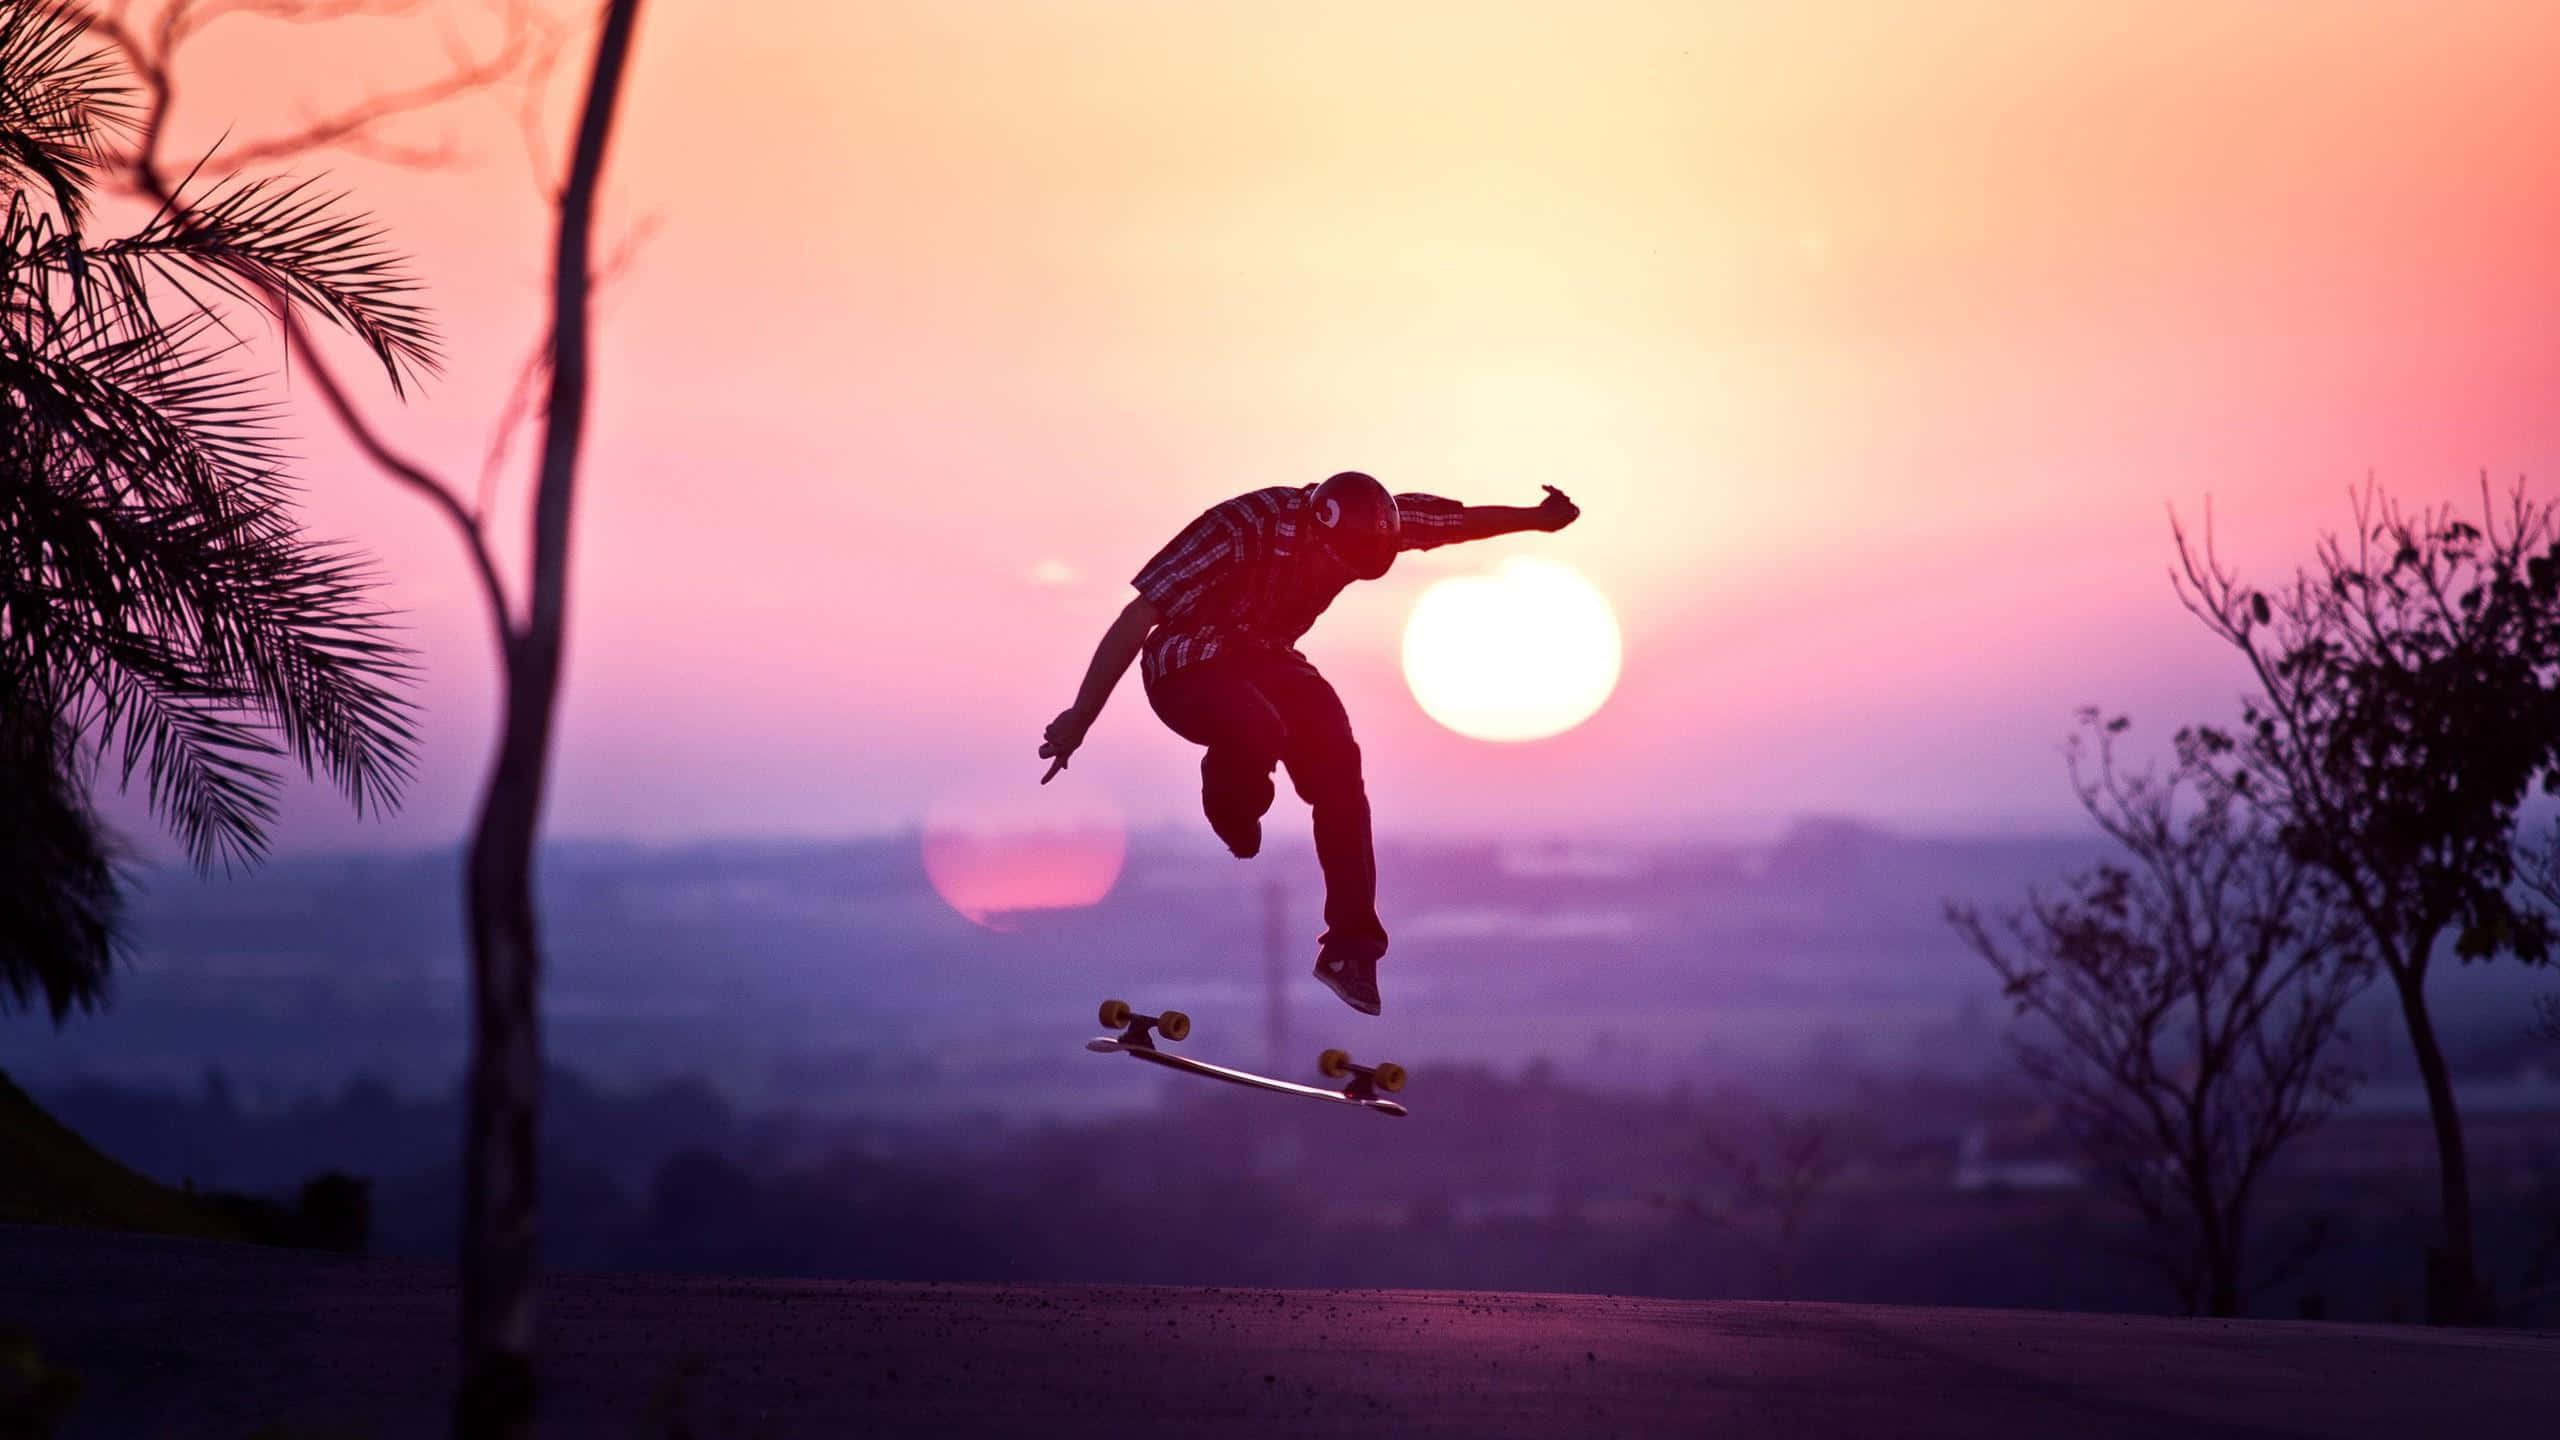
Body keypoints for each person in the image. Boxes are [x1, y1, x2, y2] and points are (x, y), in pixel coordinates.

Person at [1037, 471, 1581, 1015]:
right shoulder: (1238, 528)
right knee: (1258, 727)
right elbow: (1139, 616)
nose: (1333, 579)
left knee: (1340, 768)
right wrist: (1082, 716)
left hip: (1266, 659)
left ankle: (1350, 949)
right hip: (1184, 666)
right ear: (1316, 535)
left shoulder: (1375, 521)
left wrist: (1535, 519)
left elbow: (1454, 523)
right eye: (1334, 566)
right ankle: (1231, 805)